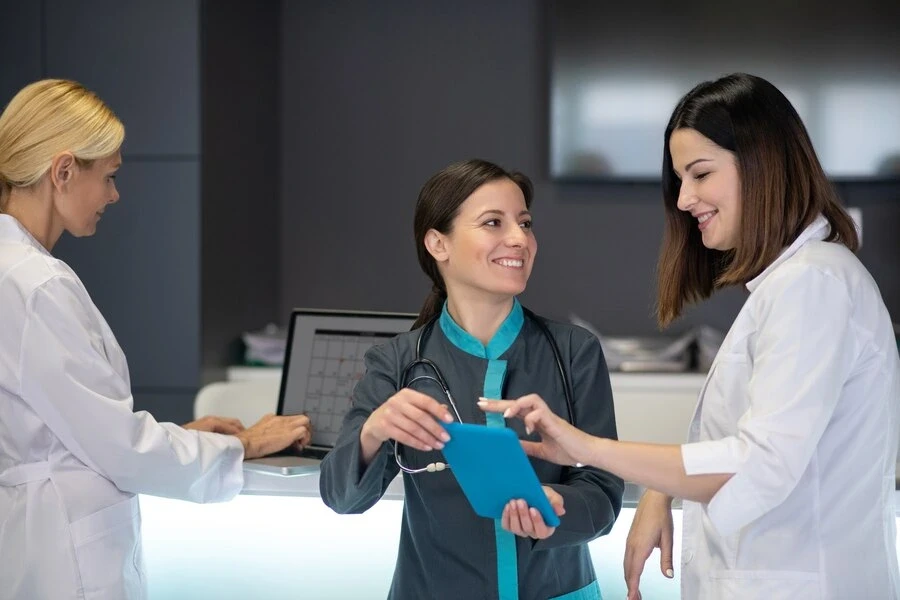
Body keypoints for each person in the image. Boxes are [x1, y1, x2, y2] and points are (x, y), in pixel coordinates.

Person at [481, 72, 900, 599]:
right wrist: (659, 489)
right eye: (681, 179)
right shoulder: (793, 285)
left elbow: (759, 463)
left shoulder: (813, 285)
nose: (684, 199)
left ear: (761, 162)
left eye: (700, 174)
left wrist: (589, 447)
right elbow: (753, 442)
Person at [0, 79, 313, 600]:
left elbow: (66, 430)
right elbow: (119, 450)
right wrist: (243, 443)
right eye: (109, 176)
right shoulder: (37, 286)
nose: (114, 195)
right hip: (63, 558)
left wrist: (185, 435)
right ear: (62, 171)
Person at [319, 158, 624, 600]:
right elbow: (342, 497)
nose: (519, 238)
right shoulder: (397, 362)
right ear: (438, 244)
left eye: (524, 222)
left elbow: (602, 491)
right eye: (493, 223)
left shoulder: (573, 351)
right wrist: (372, 432)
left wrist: (563, 507)